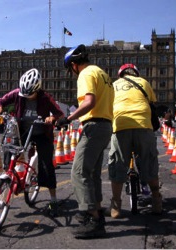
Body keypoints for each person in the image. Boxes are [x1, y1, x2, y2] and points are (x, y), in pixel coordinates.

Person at [57, 44, 113, 239]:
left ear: (74, 64)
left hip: (94, 126)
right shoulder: (102, 73)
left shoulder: (86, 74)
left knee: (79, 172)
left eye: (70, 68)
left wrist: (68, 118)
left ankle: (93, 219)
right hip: (106, 126)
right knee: (92, 173)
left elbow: (89, 102)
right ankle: (95, 211)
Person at [0, 68, 64, 217]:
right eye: (23, 94)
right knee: (10, 148)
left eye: (29, 95)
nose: (26, 97)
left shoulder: (45, 97)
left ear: (37, 89)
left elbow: (59, 113)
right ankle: (9, 174)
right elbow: (1, 100)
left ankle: (53, 200)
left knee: (46, 166)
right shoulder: (18, 93)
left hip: (42, 134)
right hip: (23, 132)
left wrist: (52, 118)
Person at [106, 63, 162, 219]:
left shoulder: (114, 85)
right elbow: (152, 103)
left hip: (121, 125)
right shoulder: (144, 82)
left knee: (117, 164)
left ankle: (116, 207)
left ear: (120, 74)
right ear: (135, 73)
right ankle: (157, 201)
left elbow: (108, 106)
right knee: (148, 162)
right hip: (143, 125)